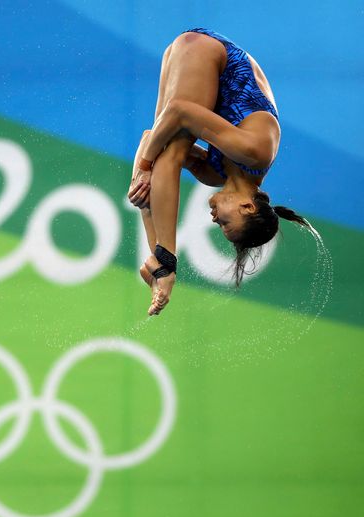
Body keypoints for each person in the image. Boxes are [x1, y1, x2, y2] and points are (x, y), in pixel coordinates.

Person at [127, 28, 309, 315]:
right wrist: (145, 166)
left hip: (185, 52)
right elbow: (178, 112)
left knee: (165, 151)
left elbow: (150, 140)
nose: (214, 221)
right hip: (211, 53)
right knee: (170, 150)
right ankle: (166, 262)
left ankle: (162, 263)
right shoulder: (256, 152)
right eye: (225, 224)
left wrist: (143, 191)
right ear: (248, 206)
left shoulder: (213, 174)